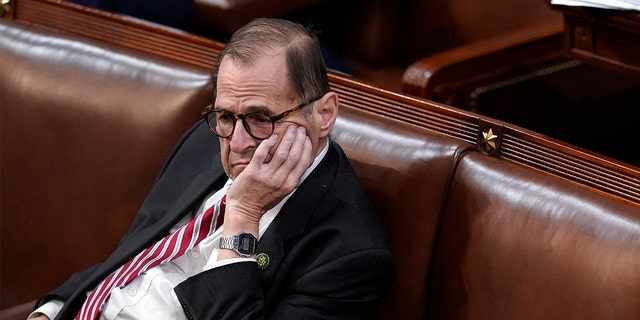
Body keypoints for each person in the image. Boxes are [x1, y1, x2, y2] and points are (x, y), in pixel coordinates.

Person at [29, 18, 394, 320]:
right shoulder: (206, 141)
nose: (237, 143)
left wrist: (243, 218)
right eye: (225, 116)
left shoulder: (350, 256)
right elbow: (129, 259)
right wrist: (52, 309)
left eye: (261, 118)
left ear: (324, 114)